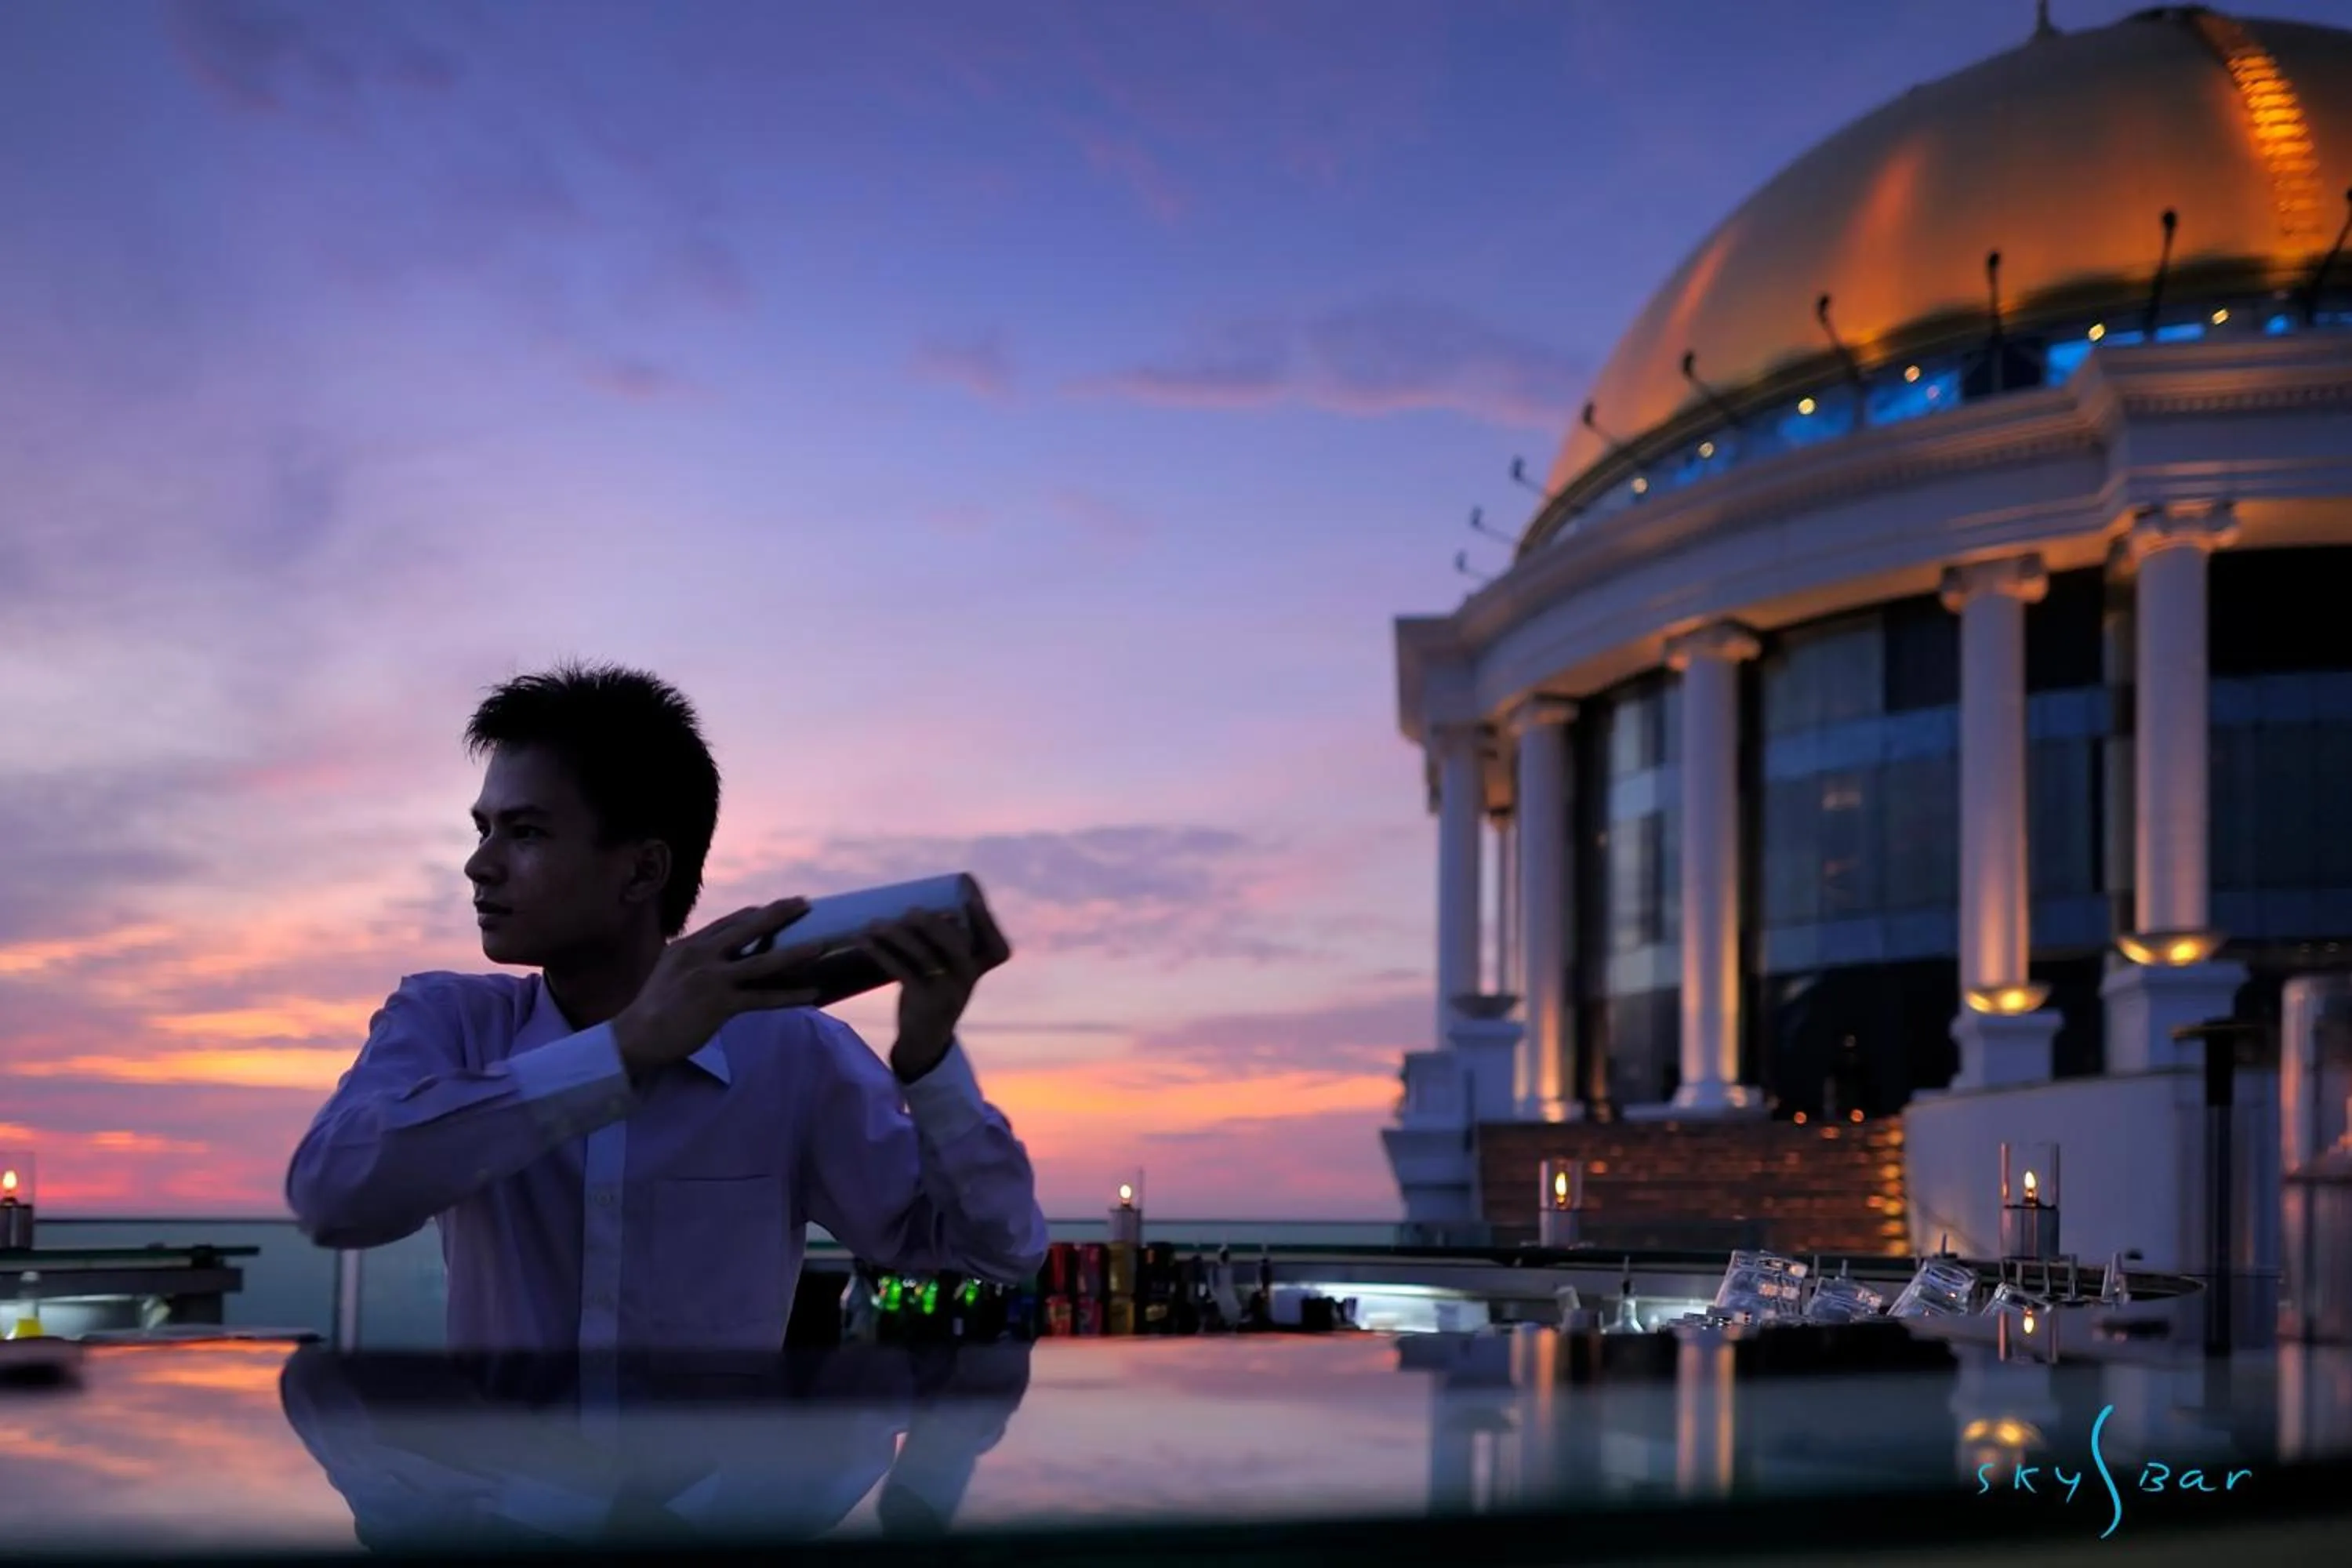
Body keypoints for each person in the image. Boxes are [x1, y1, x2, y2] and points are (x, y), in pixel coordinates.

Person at [285, 659, 1050, 1352]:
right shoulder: (449, 1021)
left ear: (644, 869)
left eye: (526, 832)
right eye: (484, 829)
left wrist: (929, 1059)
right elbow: (333, 1197)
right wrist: (622, 1052)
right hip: (500, 1471)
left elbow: (996, 1250)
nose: (478, 864)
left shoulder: (793, 1055)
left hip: (716, 1472)